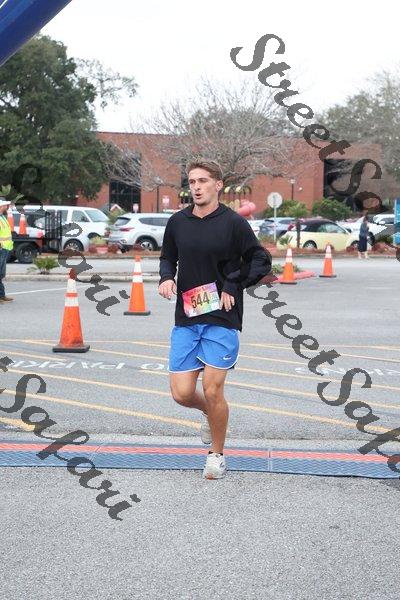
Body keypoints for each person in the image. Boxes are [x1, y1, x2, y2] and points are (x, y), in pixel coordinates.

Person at [158, 159, 272, 480]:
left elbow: (260, 260)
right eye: (192, 181)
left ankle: (216, 455)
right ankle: (212, 415)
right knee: (181, 393)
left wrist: (233, 283)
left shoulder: (234, 223)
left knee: (212, 388)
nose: (196, 187)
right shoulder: (177, 222)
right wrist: (166, 277)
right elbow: (168, 256)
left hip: (222, 316)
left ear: (218, 185)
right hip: (188, 315)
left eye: (203, 181)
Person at [0, 198, 14, 303]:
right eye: (5, 205)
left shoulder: (2, 217)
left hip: (5, 248)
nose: (6, 207)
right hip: (1, 248)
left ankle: (2, 295)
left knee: (1, 274)